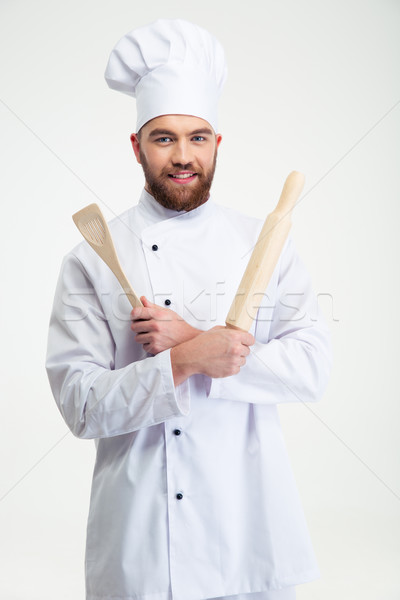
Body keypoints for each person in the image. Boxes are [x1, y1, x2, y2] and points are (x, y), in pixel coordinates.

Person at [46, 19, 332, 600]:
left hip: (246, 531)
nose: (183, 156)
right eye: (163, 137)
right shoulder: (91, 259)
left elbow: (311, 368)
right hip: (140, 542)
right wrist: (180, 362)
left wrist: (197, 341)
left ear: (218, 144)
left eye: (198, 137)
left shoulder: (265, 242)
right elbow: (80, 405)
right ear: (136, 146)